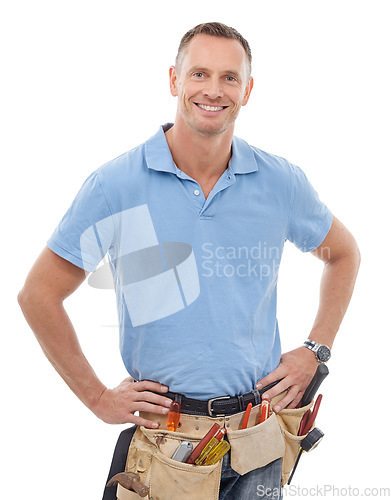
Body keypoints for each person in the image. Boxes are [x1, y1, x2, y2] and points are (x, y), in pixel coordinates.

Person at [18, 22, 360, 500]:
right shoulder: (115, 185)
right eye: (199, 73)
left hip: (257, 438)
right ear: (175, 80)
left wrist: (315, 350)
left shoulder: (281, 183)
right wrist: (98, 398)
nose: (213, 90)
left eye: (229, 77)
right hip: (166, 446)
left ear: (248, 90)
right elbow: (38, 295)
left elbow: (343, 255)